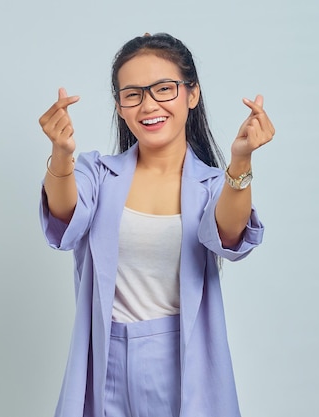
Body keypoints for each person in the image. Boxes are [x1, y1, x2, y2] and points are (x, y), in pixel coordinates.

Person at [38, 32, 275, 417]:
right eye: (133, 94)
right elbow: (64, 217)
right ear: (120, 106)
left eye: (164, 89)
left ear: (191, 94)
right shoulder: (98, 173)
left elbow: (229, 236)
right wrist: (62, 155)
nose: (149, 105)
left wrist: (241, 162)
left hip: (179, 359)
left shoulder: (213, 185)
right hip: (104, 358)